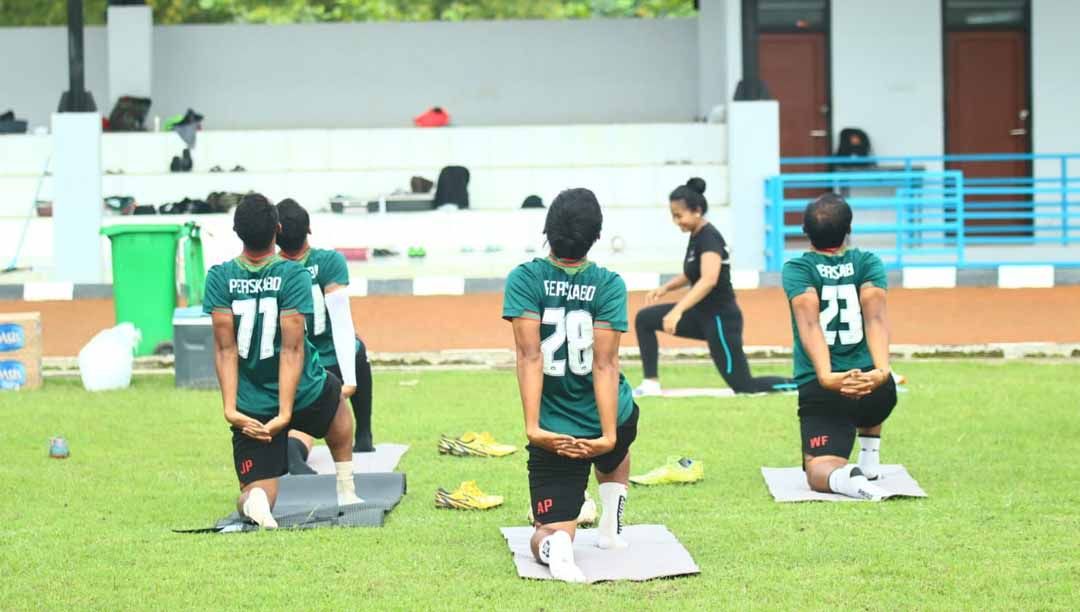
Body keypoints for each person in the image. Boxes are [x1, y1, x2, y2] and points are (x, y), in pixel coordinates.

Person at [503, 188, 640, 583]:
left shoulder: (525, 278)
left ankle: (558, 548)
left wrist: (534, 428)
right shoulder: (609, 283)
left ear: (547, 230)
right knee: (616, 451)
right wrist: (609, 433)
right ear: (596, 236)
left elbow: (529, 356)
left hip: (555, 430)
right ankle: (612, 533)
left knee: (548, 531)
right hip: (611, 415)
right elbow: (605, 363)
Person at [204, 193, 363, 529]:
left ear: (237, 232)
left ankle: (256, 501)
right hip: (302, 388)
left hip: (250, 402)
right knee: (335, 400)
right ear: (277, 229)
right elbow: (292, 350)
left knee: (256, 490)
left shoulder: (218, 277)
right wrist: (286, 413)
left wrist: (231, 410)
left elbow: (225, 350)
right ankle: (346, 488)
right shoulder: (293, 274)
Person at [782, 193, 897, 501]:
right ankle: (869, 460)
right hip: (875, 390)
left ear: (805, 232)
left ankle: (850, 480)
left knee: (819, 469)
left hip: (825, 390)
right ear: (849, 230)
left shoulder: (797, 268)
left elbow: (810, 323)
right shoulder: (868, 262)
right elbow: (876, 319)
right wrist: (882, 371)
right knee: (875, 393)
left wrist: (827, 376)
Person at [634, 178, 794, 395]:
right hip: (700, 316)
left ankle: (802, 385)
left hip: (721, 320)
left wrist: (677, 311)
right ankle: (650, 383)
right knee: (645, 319)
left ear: (697, 211)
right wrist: (665, 289)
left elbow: (709, 279)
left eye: (679, 215)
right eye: (673, 216)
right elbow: (692, 272)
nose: (676, 221)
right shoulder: (695, 236)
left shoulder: (710, 237)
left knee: (744, 387)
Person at [273, 199, 376, 477]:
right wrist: (350, 380)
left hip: (298, 362)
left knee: (302, 420)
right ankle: (364, 433)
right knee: (357, 348)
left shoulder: (273, 269)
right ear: (309, 230)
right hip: (333, 359)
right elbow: (341, 320)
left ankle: (294, 455)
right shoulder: (329, 261)